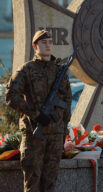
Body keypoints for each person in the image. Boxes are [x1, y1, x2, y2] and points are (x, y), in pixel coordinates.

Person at [5, 29, 72, 192]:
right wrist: (35, 114)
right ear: (35, 46)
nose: (48, 45)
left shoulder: (59, 71)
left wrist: (64, 129)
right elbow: (11, 96)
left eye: (50, 42)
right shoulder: (27, 69)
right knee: (32, 183)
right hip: (34, 135)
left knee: (50, 184)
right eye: (44, 43)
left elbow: (67, 100)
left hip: (55, 135)